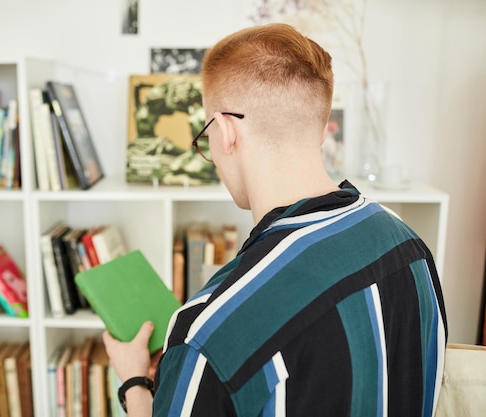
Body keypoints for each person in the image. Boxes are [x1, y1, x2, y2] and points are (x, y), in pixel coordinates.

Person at [103, 23, 447, 417]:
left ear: (226, 131)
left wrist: (133, 381)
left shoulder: (206, 334)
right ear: (321, 129)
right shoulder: (411, 248)